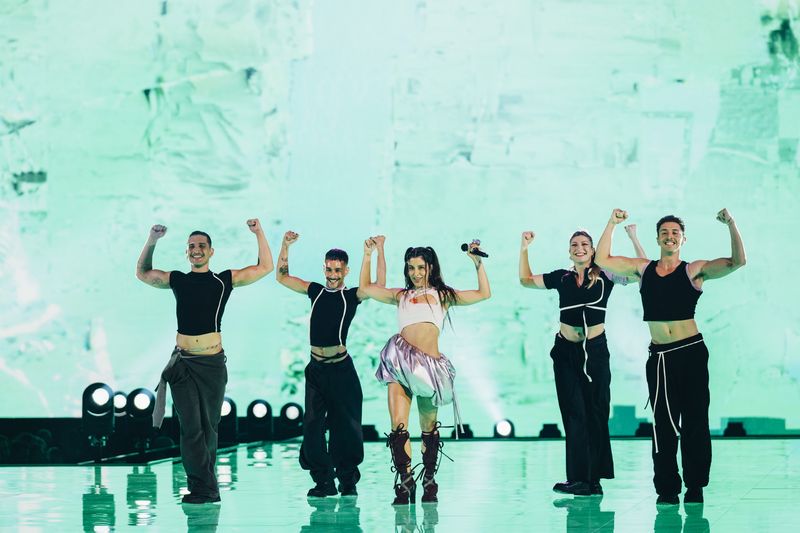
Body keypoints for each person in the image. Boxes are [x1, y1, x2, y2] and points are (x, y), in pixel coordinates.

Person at [595, 208, 746, 505]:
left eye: (675, 232)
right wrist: (611, 223)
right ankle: (666, 487)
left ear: (683, 239)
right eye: (665, 232)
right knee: (663, 424)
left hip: (690, 352)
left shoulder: (694, 270)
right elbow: (602, 259)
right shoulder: (644, 268)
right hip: (660, 357)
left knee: (695, 422)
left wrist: (731, 223)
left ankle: (695, 485)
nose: (670, 236)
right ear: (657, 238)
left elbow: (737, 262)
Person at [137, 219, 274, 504]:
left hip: (212, 365)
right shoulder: (178, 279)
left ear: (211, 251)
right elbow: (143, 273)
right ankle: (202, 488)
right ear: (186, 253)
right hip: (183, 364)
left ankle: (207, 487)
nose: (196, 250)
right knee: (191, 428)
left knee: (208, 428)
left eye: (201, 246)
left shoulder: (222, 280)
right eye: (191, 247)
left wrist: (258, 232)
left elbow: (265, 267)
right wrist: (152, 240)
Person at [360, 241, 491, 505]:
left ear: (430, 267)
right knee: (398, 428)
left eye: (421, 267)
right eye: (411, 268)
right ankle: (405, 481)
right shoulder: (401, 295)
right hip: (399, 361)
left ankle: (429, 480)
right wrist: (369, 254)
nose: (416, 273)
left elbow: (483, 293)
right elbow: (365, 288)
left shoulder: (442, 294)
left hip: (428, 368)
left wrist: (477, 262)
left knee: (428, 429)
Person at [518, 228, 646, 497]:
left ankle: (594, 479)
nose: (580, 248)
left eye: (585, 244)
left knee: (597, 413)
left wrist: (634, 239)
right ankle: (578, 479)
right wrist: (525, 247)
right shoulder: (562, 278)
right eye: (574, 244)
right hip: (566, 353)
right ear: (569, 251)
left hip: (596, 352)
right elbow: (526, 280)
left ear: (592, 249)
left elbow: (643, 271)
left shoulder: (606, 275)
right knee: (574, 414)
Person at [275, 231, 386, 498]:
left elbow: (378, 286)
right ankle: (323, 480)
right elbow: (281, 277)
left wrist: (375, 252)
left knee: (345, 427)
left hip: (341, 370)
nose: (332, 274)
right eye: (328, 269)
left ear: (346, 270)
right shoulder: (315, 290)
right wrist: (285, 245)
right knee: (312, 426)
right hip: (316, 370)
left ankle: (347, 480)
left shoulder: (350, 296)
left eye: (337, 269)